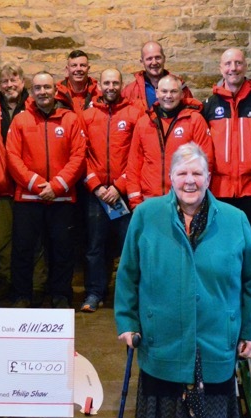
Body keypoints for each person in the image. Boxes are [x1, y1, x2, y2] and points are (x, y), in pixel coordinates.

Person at [115, 142, 251, 418]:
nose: (190, 180)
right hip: (162, 343)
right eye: (182, 173)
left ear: (208, 178)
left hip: (216, 343)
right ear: (171, 177)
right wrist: (128, 322)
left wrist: (250, 330)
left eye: (197, 173)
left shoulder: (236, 220)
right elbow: (128, 274)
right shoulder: (145, 215)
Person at [6, 71, 86, 308]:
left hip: (61, 198)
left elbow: (79, 156)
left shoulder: (70, 119)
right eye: (38, 88)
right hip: (28, 198)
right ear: (31, 92)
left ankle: (60, 294)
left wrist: (58, 185)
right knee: (23, 249)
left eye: (47, 87)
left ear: (55, 90)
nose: (43, 92)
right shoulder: (20, 120)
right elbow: (12, 156)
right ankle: (21, 295)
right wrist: (37, 185)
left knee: (62, 249)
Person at [202, 48, 251, 287]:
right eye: (228, 64)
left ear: (245, 66)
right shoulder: (209, 105)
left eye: (238, 63)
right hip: (219, 190)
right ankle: (224, 292)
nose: (233, 68)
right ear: (220, 68)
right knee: (220, 245)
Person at [0, 62, 47, 299]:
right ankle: (6, 283)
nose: (9, 85)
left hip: (29, 186)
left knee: (34, 240)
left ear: (22, 81)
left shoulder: (34, 107)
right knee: (3, 242)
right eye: (4, 81)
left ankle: (36, 286)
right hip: (0, 186)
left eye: (13, 79)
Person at [79, 68, 142, 312]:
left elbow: (138, 154)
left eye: (115, 82)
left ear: (121, 84)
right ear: (99, 86)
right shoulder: (86, 116)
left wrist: (119, 186)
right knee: (95, 246)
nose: (111, 87)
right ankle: (94, 293)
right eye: (107, 83)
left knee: (128, 246)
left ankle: (129, 297)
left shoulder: (135, 114)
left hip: (123, 194)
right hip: (96, 195)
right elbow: (80, 154)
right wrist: (96, 186)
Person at [126, 75, 214, 209]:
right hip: (149, 201)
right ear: (156, 93)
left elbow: (206, 162)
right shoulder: (143, 123)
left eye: (173, 91)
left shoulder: (195, 120)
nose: (168, 96)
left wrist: (195, 197)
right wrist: (135, 201)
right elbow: (134, 165)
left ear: (181, 94)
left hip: (184, 201)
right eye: (164, 91)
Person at [122, 41, 193, 112]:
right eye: (149, 59)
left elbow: (190, 111)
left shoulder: (180, 85)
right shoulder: (130, 91)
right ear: (142, 61)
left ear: (164, 59)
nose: (154, 62)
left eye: (158, 57)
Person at [55, 49, 101, 115]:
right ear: (67, 69)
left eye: (82, 65)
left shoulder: (98, 91)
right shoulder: (57, 93)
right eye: (74, 65)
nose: (78, 69)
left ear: (88, 69)